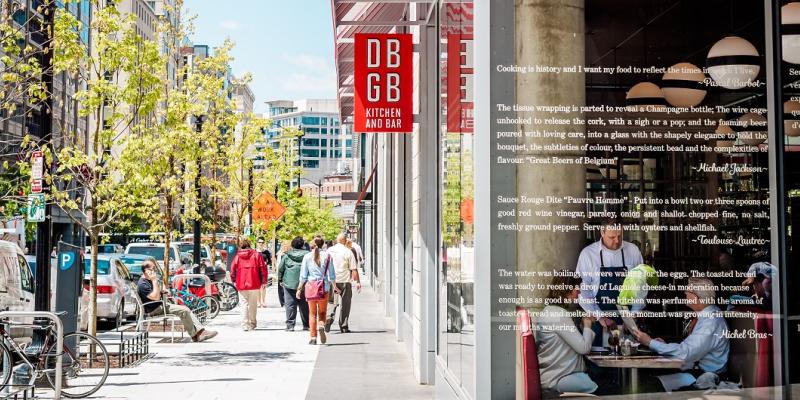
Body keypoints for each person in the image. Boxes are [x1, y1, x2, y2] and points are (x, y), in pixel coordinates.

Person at [633, 277, 730, 391]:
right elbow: (690, 347)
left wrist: (650, 342)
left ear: (695, 297)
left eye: (687, 291)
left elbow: (686, 352)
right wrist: (664, 345)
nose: (685, 294)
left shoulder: (711, 322)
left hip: (702, 378)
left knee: (650, 386)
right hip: (695, 371)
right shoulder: (707, 315)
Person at [576, 219, 643, 336]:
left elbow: (641, 286)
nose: (617, 241)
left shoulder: (633, 251)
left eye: (620, 236)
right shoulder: (588, 254)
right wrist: (600, 316)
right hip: (599, 321)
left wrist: (633, 315)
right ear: (602, 232)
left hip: (628, 323)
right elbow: (583, 291)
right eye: (612, 237)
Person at [535, 272, 598, 395]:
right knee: (604, 385)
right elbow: (584, 348)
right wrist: (587, 325)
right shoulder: (559, 315)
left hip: (554, 375)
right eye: (577, 288)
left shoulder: (550, 311)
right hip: (558, 378)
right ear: (567, 289)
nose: (579, 292)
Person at [137, 259, 217, 342]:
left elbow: (156, 294)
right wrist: (154, 281)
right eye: (153, 268)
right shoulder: (143, 284)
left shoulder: (148, 280)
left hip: (160, 305)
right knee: (184, 310)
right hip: (154, 309)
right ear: (147, 271)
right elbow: (155, 297)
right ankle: (196, 334)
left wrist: (162, 291)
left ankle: (199, 333)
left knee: (185, 309)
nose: (155, 270)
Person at [297, 237, 337, 345]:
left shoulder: (307, 256)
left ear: (312, 245)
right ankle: (321, 325)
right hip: (324, 288)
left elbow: (303, 275)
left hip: (311, 288)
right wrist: (335, 287)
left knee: (312, 313)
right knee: (322, 312)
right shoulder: (328, 256)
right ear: (323, 244)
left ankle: (313, 338)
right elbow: (332, 275)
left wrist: (299, 288)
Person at [324, 233, 360, 333]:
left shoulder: (329, 251)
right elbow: (353, 269)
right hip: (345, 280)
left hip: (332, 281)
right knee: (345, 303)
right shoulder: (348, 251)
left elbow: (324, 266)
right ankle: (344, 326)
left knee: (331, 302)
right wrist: (357, 282)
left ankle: (328, 318)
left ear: (337, 240)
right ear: (344, 240)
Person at [230, 237, 268, 331]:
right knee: (253, 304)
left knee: (244, 304)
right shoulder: (256, 255)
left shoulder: (238, 256)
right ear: (249, 245)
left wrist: (234, 280)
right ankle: (252, 323)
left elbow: (232, 270)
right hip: (254, 283)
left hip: (241, 283)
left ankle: (245, 324)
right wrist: (264, 281)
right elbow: (263, 269)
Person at [278, 237, 310, 331]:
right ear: (303, 245)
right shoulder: (308, 255)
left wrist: (280, 280)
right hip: (304, 283)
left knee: (290, 305)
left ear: (292, 245)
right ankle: (306, 325)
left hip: (289, 283)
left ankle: (290, 325)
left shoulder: (287, 255)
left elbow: (281, 269)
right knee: (304, 304)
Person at [256, 237, 272, 308]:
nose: (261, 244)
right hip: (256, 270)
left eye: (262, 242)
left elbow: (270, 261)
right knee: (258, 286)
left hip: (264, 270)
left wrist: (266, 263)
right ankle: (258, 302)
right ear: (257, 243)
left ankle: (263, 301)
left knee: (263, 286)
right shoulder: (255, 252)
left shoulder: (266, 252)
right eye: (260, 242)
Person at [275, 240, 291, 307]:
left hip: (284, 272)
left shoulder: (282, 254)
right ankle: (284, 302)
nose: (285, 246)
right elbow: (278, 264)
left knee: (282, 288)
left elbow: (278, 265)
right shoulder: (280, 254)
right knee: (283, 288)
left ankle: (284, 302)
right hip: (286, 272)